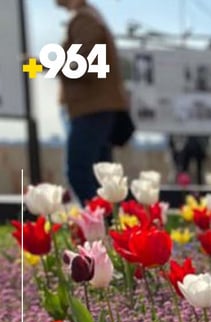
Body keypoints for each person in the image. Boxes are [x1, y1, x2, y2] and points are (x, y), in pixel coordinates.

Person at [57, 0, 129, 204]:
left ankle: (99, 226)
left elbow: (83, 64)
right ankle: (109, 229)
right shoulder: (89, 18)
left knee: (80, 173)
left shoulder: (85, 20)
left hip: (90, 109)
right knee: (103, 180)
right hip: (93, 108)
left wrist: (33, 66)